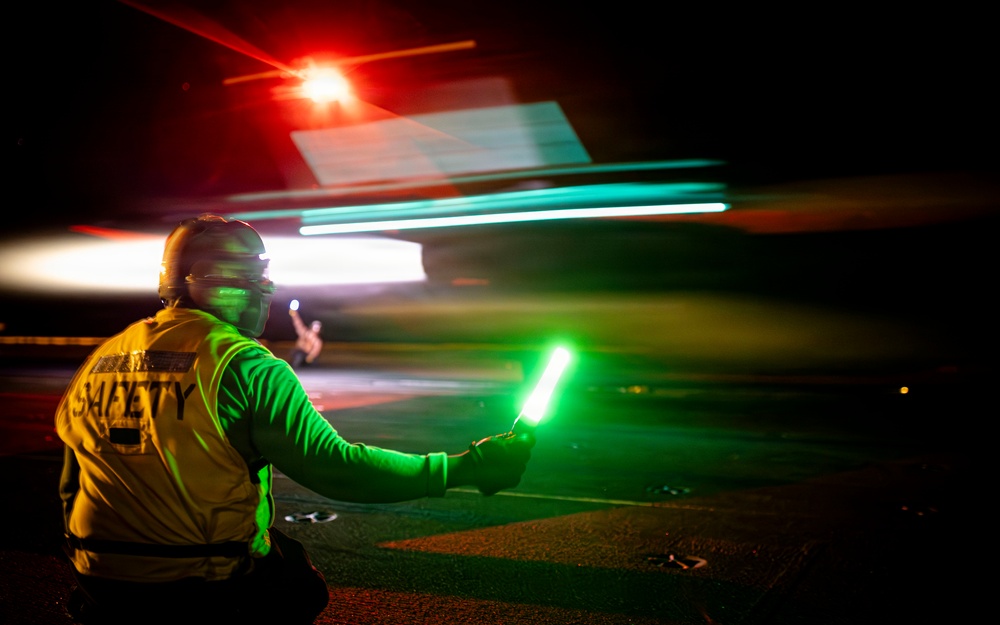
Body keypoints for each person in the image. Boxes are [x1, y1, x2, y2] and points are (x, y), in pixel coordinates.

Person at [55, 214, 534, 624]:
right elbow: (337, 467)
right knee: (300, 585)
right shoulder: (243, 364)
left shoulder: (104, 357)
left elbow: (71, 483)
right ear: (225, 281)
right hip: (200, 583)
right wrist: (463, 468)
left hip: (97, 576)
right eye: (258, 277)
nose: (267, 289)